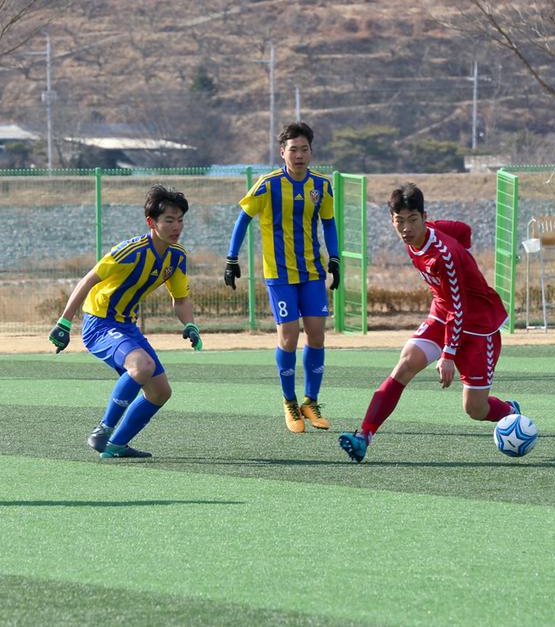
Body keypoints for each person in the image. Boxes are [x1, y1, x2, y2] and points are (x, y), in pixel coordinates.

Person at [338, 182, 519, 463]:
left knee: (475, 409)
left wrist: (448, 355)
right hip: (442, 315)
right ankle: (363, 436)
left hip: (477, 325)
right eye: (400, 221)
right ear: (392, 220)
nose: (406, 228)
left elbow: (460, 308)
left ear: (424, 217)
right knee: (406, 362)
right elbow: (464, 230)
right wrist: (467, 253)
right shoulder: (419, 235)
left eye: (413, 220)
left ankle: (510, 413)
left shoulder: (443, 256)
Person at [48, 185, 202, 459]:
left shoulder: (176, 256)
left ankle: (116, 445)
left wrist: (189, 324)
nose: (176, 226)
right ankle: (103, 430)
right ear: (151, 222)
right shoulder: (129, 251)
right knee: (142, 366)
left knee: (160, 392)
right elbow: (88, 279)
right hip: (100, 323)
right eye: (169, 220)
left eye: (180, 220)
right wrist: (64, 323)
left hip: (126, 325)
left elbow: (180, 299)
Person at [224, 121, 340, 433]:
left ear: (311, 151)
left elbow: (329, 223)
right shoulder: (267, 184)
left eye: (304, 149)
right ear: (282, 152)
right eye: (293, 149)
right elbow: (243, 219)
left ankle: (310, 401)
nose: (299, 155)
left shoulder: (322, 186)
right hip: (279, 275)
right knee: (288, 338)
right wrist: (232, 258)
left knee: (317, 335)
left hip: (312, 271)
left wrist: (336, 258)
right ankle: (289, 402)